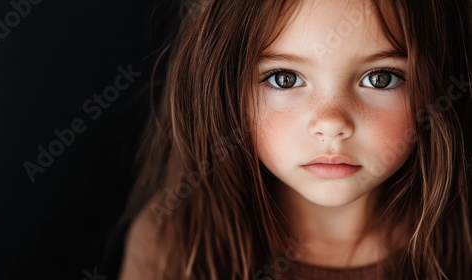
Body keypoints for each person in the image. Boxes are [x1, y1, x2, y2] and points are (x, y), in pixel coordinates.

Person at [117, 0, 472, 279]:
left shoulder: (463, 240)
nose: (331, 124)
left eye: (380, 79)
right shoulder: (172, 243)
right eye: (284, 79)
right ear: (225, 92)